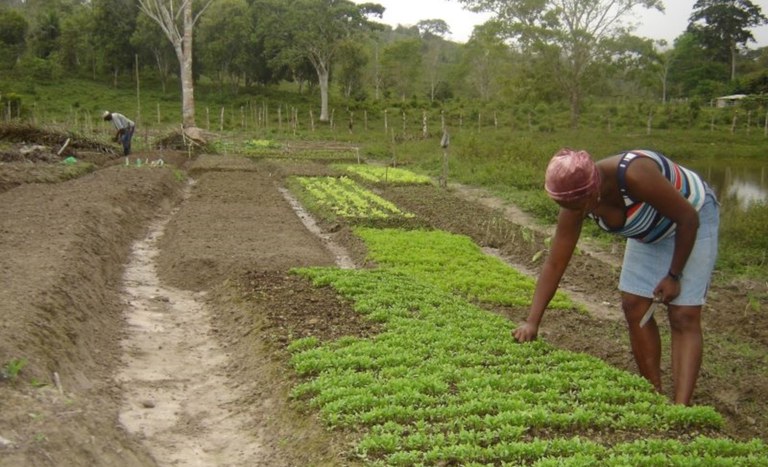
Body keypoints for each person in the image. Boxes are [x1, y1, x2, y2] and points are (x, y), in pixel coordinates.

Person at [514, 148, 719, 406]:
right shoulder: (574, 201)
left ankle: (681, 407)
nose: (572, 211)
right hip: (648, 231)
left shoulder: (635, 175)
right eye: (565, 206)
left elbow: (687, 218)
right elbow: (555, 263)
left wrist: (673, 275)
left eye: (577, 205)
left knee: (683, 314)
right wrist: (532, 322)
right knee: (634, 304)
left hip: (691, 218)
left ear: (592, 191)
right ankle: (653, 394)